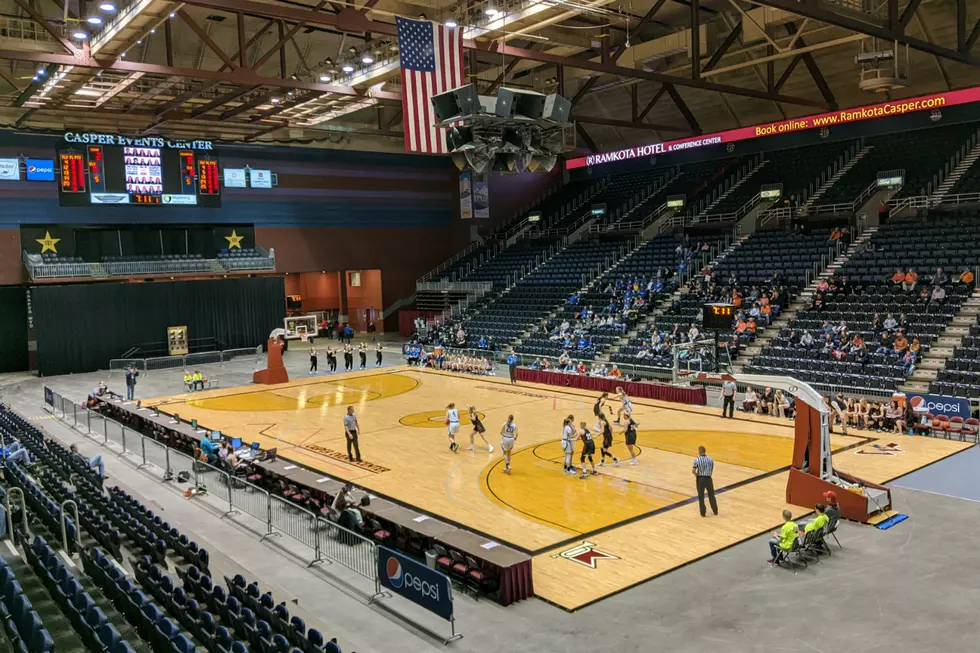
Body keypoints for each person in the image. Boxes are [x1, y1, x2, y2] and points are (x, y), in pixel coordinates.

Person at [692, 446, 718, 517]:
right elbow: (711, 469)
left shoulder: (697, 460)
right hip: (709, 478)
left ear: (699, 451)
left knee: (701, 496)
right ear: (705, 451)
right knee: (711, 495)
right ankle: (715, 511)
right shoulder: (710, 459)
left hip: (701, 479)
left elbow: (693, 471)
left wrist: (697, 475)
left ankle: (703, 513)